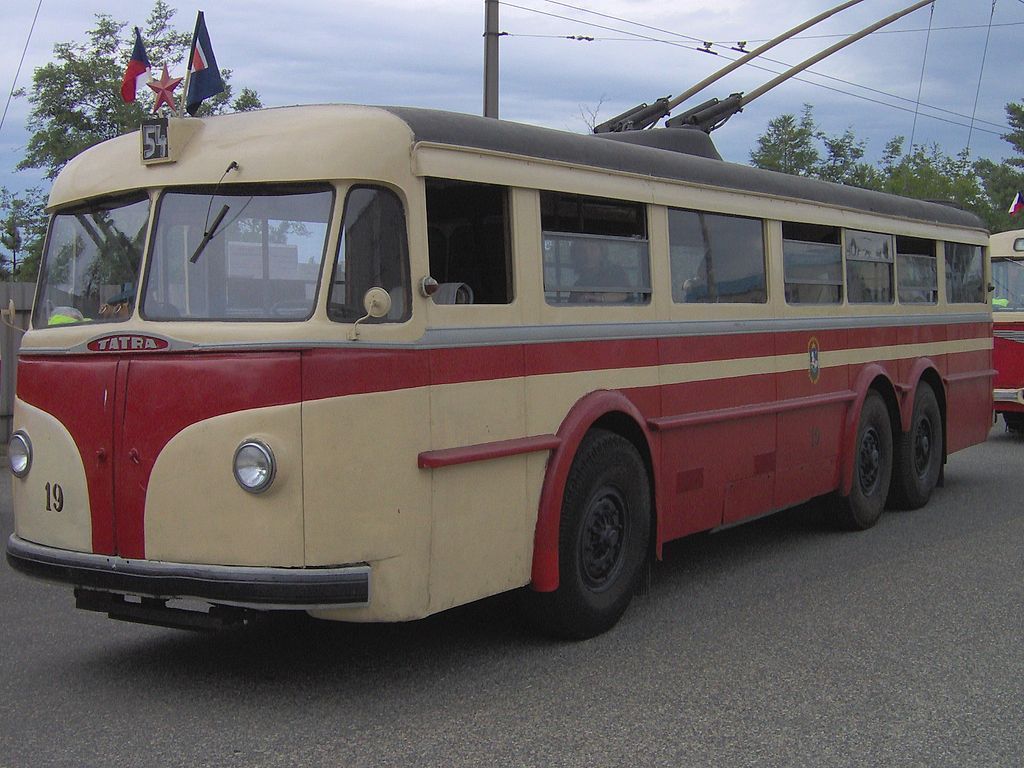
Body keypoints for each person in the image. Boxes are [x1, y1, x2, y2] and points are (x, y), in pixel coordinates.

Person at [571, 239, 630, 303]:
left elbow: (624, 294)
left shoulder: (615, 272)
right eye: (582, 250)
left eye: (593, 248)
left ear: (602, 252)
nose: (588, 254)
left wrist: (598, 298)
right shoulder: (578, 285)